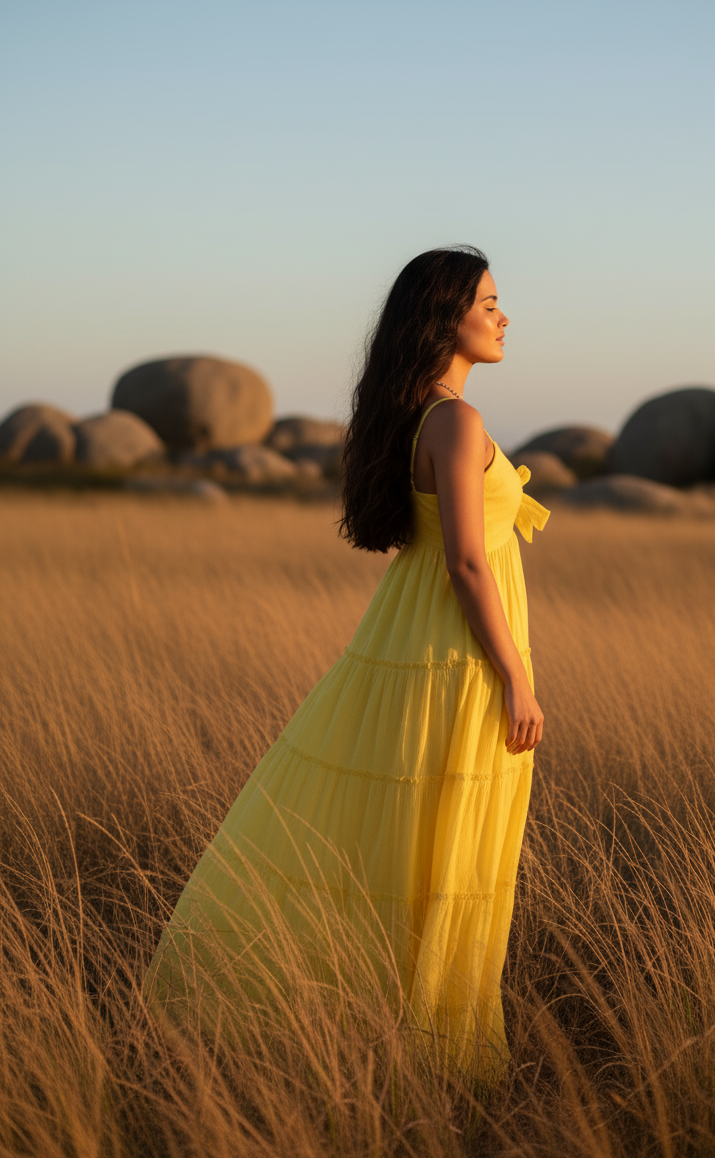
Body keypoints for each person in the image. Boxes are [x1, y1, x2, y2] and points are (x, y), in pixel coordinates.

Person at [143, 245, 550, 1083]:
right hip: (453, 656)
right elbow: (469, 563)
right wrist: (516, 675)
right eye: (490, 301)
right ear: (446, 318)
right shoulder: (457, 421)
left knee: (404, 845)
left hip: (409, 643)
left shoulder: (421, 416)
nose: (504, 315)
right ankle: (436, 1060)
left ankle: (380, 1042)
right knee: (444, 853)